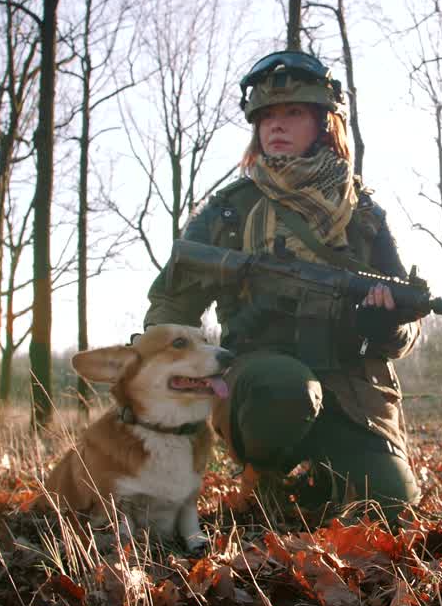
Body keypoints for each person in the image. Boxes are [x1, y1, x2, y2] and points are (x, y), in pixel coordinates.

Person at [143, 50, 423, 523]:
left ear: (323, 122)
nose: (277, 125)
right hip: (259, 385)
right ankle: (262, 478)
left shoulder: (362, 214)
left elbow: (403, 329)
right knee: (286, 387)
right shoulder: (230, 211)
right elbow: (172, 301)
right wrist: (182, 371)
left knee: (392, 505)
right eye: (267, 115)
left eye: (293, 112)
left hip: (349, 388)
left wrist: (384, 325)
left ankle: (325, 477)